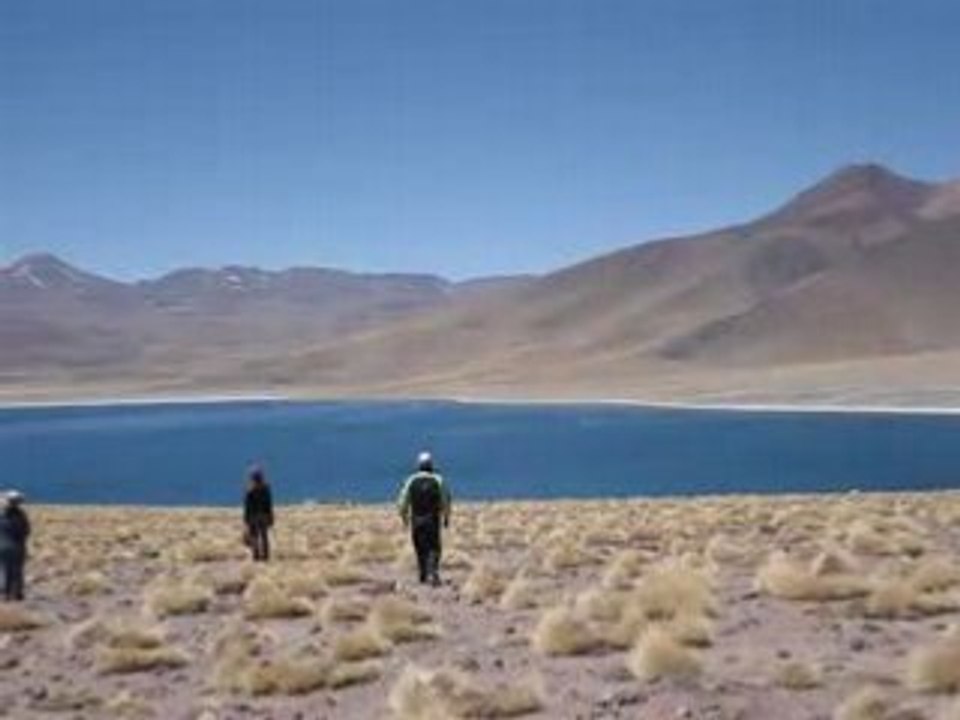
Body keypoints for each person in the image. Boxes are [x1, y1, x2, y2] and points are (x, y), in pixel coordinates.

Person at [397, 451, 451, 586]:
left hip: (416, 520)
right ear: (431, 464)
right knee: (434, 547)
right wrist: (446, 516)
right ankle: (432, 572)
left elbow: (402, 501)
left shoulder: (411, 480)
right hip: (433, 519)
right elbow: (446, 500)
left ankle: (423, 574)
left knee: (420, 547)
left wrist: (404, 517)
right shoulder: (438, 480)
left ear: (418, 465)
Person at [0, 491, 31, 602]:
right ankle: (17, 594)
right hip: (17, 547)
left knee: (5, 570)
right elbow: (27, 531)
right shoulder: (21, 516)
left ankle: (5, 594)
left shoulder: (2, 514)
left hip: (2, 547)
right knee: (17, 571)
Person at [243, 466, 274, 562]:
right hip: (264, 515)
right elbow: (269, 503)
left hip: (253, 517)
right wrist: (270, 516)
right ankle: (265, 556)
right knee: (264, 536)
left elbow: (247, 506)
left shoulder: (250, 490)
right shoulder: (266, 488)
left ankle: (256, 556)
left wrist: (246, 519)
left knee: (254, 536)